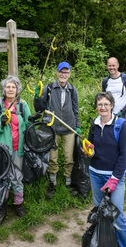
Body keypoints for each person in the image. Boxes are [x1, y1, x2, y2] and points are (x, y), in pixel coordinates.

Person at [85, 91, 126, 247]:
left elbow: (125, 155)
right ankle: (105, 242)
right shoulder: (94, 124)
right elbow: (91, 148)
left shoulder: (121, 125)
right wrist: (89, 152)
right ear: (96, 107)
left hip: (114, 177)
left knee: (116, 216)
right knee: (100, 212)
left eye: (106, 104)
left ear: (112, 105)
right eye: (99, 104)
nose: (103, 107)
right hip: (95, 173)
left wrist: (114, 179)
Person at [0, 75, 32, 226]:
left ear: (18, 89)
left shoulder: (23, 105)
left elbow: (29, 124)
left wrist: (34, 120)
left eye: (13, 87)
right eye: (8, 87)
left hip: (18, 149)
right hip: (2, 150)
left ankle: (18, 204)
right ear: (3, 89)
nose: (10, 89)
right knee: (2, 178)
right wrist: (1, 123)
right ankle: (2, 208)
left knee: (17, 177)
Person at [34, 61, 81, 198]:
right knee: (53, 158)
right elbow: (39, 108)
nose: (63, 74)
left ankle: (68, 182)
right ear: (57, 72)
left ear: (69, 74)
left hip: (68, 128)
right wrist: (37, 97)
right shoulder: (49, 88)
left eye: (66, 72)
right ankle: (52, 183)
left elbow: (76, 110)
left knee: (69, 157)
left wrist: (77, 125)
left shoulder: (72, 90)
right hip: (52, 129)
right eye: (61, 72)